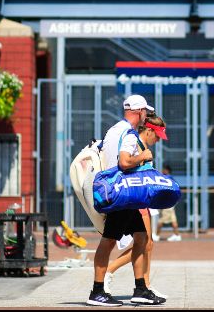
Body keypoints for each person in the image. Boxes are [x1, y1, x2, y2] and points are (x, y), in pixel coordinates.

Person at [87, 94, 165, 307]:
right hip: (122, 194)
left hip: (122, 194)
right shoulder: (129, 134)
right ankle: (97, 291)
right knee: (109, 241)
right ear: (139, 112)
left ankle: (141, 289)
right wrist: (143, 156)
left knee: (141, 237)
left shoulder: (113, 130)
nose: (146, 117)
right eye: (145, 113)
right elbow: (124, 161)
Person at [104, 114, 170, 300]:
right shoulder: (133, 141)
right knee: (143, 243)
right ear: (149, 130)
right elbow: (124, 164)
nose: (158, 141)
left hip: (142, 200)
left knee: (147, 243)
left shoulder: (144, 146)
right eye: (156, 136)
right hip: (133, 200)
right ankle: (109, 271)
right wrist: (142, 156)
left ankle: (145, 286)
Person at [155, 164, 181, 242]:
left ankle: (156, 235)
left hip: (167, 202)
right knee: (173, 220)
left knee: (161, 220)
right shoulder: (172, 178)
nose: (162, 171)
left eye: (164, 169)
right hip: (171, 201)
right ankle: (177, 235)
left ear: (167, 170)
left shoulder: (166, 178)